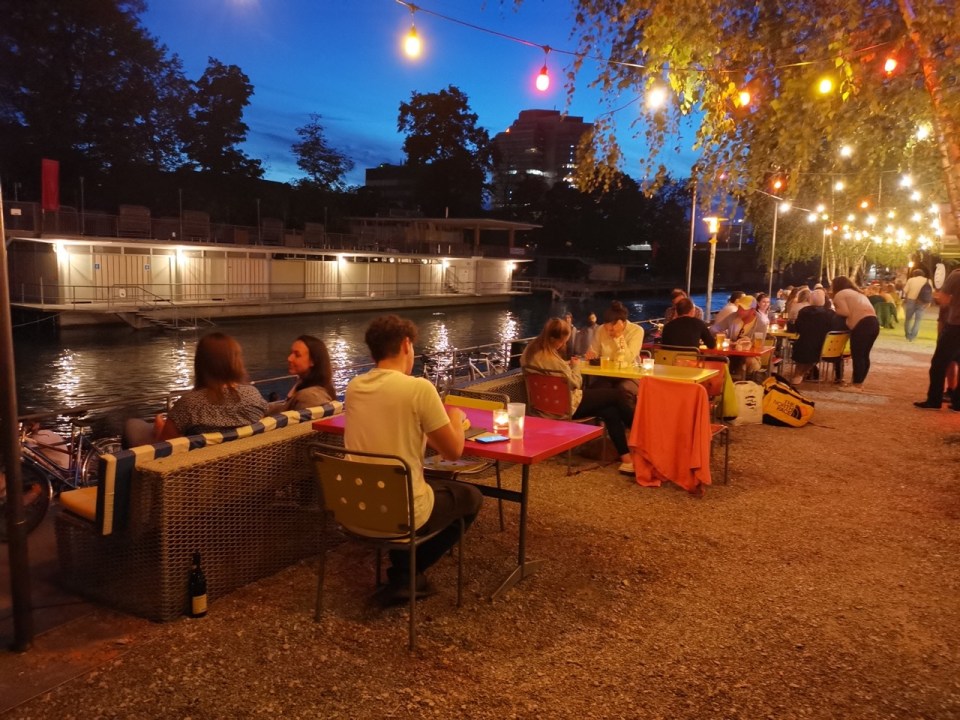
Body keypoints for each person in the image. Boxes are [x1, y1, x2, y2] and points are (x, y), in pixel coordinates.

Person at [344, 314, 483, 598]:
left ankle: (404, 574)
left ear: (373, 350)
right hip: (401, 513)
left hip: (354, 507)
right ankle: (406, 574)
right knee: (471, 496)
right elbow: (453, 451)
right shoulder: (419, 388)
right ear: (407, 345)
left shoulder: (354, 387)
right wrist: (454, 417)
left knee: (420, 485)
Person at [522, 318, 636, 475]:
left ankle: (627, 459)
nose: (564, 344)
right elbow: (575, 383)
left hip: (543, 406)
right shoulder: (554, 361)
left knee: (610, 411)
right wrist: (575, 367)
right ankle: (639, 433)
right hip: (567, 406)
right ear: (559, 340)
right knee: (617, 395)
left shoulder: (530, 351)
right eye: (565, 341)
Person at [125, 332, 267, 445]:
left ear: (201, 365)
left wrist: (160, 428)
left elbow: (165, 447)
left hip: (197, 475)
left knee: (133, 425)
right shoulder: (253, 395)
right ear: (236, 363)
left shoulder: (190, 404)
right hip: (244, 468)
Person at [584, 300, 645, 408]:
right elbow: (594, 351)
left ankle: (631, 423)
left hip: (629, 376)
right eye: (607, 329)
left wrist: (619, 337)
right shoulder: (600, 330)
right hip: (606, 375)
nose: (609, 333)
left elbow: (628, 359)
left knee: (623, 389)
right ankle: (605, 420)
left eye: (612, 330)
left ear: (622, 322)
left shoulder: (636, 331)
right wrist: (591, 355)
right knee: (599, 390)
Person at [915, 267, 960, 411]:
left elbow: (944, 299)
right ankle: (958, 403)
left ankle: (934, 400)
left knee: (938, 364)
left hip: (956, 325)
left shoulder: (955, 276)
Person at [831, 276, 880, 391]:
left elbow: (844, 312)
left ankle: (856, 384)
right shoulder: (858, 294)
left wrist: (835, 310)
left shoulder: (840, 295)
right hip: (873, 322)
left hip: (861, 324)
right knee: (864, 355)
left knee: (858, 355)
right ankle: (859, 382)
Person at [267, 335, 336, 413]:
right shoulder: (316, 388)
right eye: (291, 353)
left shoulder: (309, 398)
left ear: (312, 361)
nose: (289, 358)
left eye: (297, 355)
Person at [709, 294, 770, 378]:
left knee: (746, 361)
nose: (739, 311)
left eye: (743, 309)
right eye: (739, 308)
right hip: (729, 353)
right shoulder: (733, 317)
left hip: (750, 357)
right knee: (712, 359)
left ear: (752, 310)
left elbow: (758, 346)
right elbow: (713, 329)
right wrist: (720, 334)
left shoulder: (761, 324)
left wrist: (745, 344)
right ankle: (720, 384)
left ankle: (739, 383)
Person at [789, 289, 839, 384]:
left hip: (803, 345)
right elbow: (833, 329)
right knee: (812, 351)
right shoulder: (831, 314)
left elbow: (798, 328)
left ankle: (798, 375)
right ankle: (800, 374)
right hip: (824, 347)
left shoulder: (804, 312)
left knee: (802, 348)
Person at [902, 268, 931, 342]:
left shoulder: (911, 280)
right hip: (922, 301)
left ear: (914, 274)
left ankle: (908, 335)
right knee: (918, 320)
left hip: (911, 300)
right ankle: (913, 336)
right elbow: (931, 292)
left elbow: (905, 290)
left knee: (908, 319)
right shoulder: (928, 281)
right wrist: (928, 302)